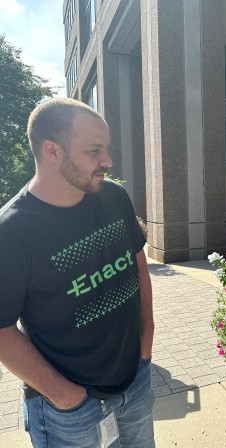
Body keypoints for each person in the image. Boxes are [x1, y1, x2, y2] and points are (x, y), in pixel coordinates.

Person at [0, 97, 155, 447]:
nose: (108, 161)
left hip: (136, 384)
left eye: (107, 149)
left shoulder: (114, 197)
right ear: (53, 151)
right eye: (94, 151)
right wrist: (66, 397)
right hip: (66, 412)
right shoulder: (12, 231)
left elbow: (137, 264)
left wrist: (146, 346)